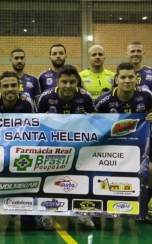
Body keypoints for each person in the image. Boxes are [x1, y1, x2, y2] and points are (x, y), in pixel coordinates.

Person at [95, 62, 152, 226]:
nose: (127, 80)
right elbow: (90, 121)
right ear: (116, 80)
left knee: (151, 172)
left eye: (131, 77)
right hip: (110, 147)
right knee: (100, 173)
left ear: (136, 79)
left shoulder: (145, 95)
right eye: (123, 77)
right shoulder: (103, 101)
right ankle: (97, 210)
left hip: (137, 145)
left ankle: (144, 209)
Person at [37, 65, 95, 230]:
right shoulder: (46, 97)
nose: (68, 85)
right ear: (57, 82)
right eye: (64, 82)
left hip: (79, 147)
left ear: (77, 81)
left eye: (72, 82)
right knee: (49, 178)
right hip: (53, 146)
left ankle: (83, 213)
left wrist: (90, 119)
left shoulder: (85, 98)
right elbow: (35, 124)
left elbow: (97, 123)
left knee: (81, 178)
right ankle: (46, 212)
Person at [0, 71, 36, 231]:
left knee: (26, 181)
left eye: (13, 85)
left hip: (21, 149)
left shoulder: (27, 103)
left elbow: (35, 128)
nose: (10, 89)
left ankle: (28, 217)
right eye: (5, 86)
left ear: (19, 87)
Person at [126, 41, 152, 211]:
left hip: (146, 128)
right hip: (126, 129)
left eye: (138, 51)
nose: (135, 53)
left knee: (151, 167)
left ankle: (150, 197)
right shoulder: (121, 73)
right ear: (127, 53)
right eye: (132, 51)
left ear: (144, 52)